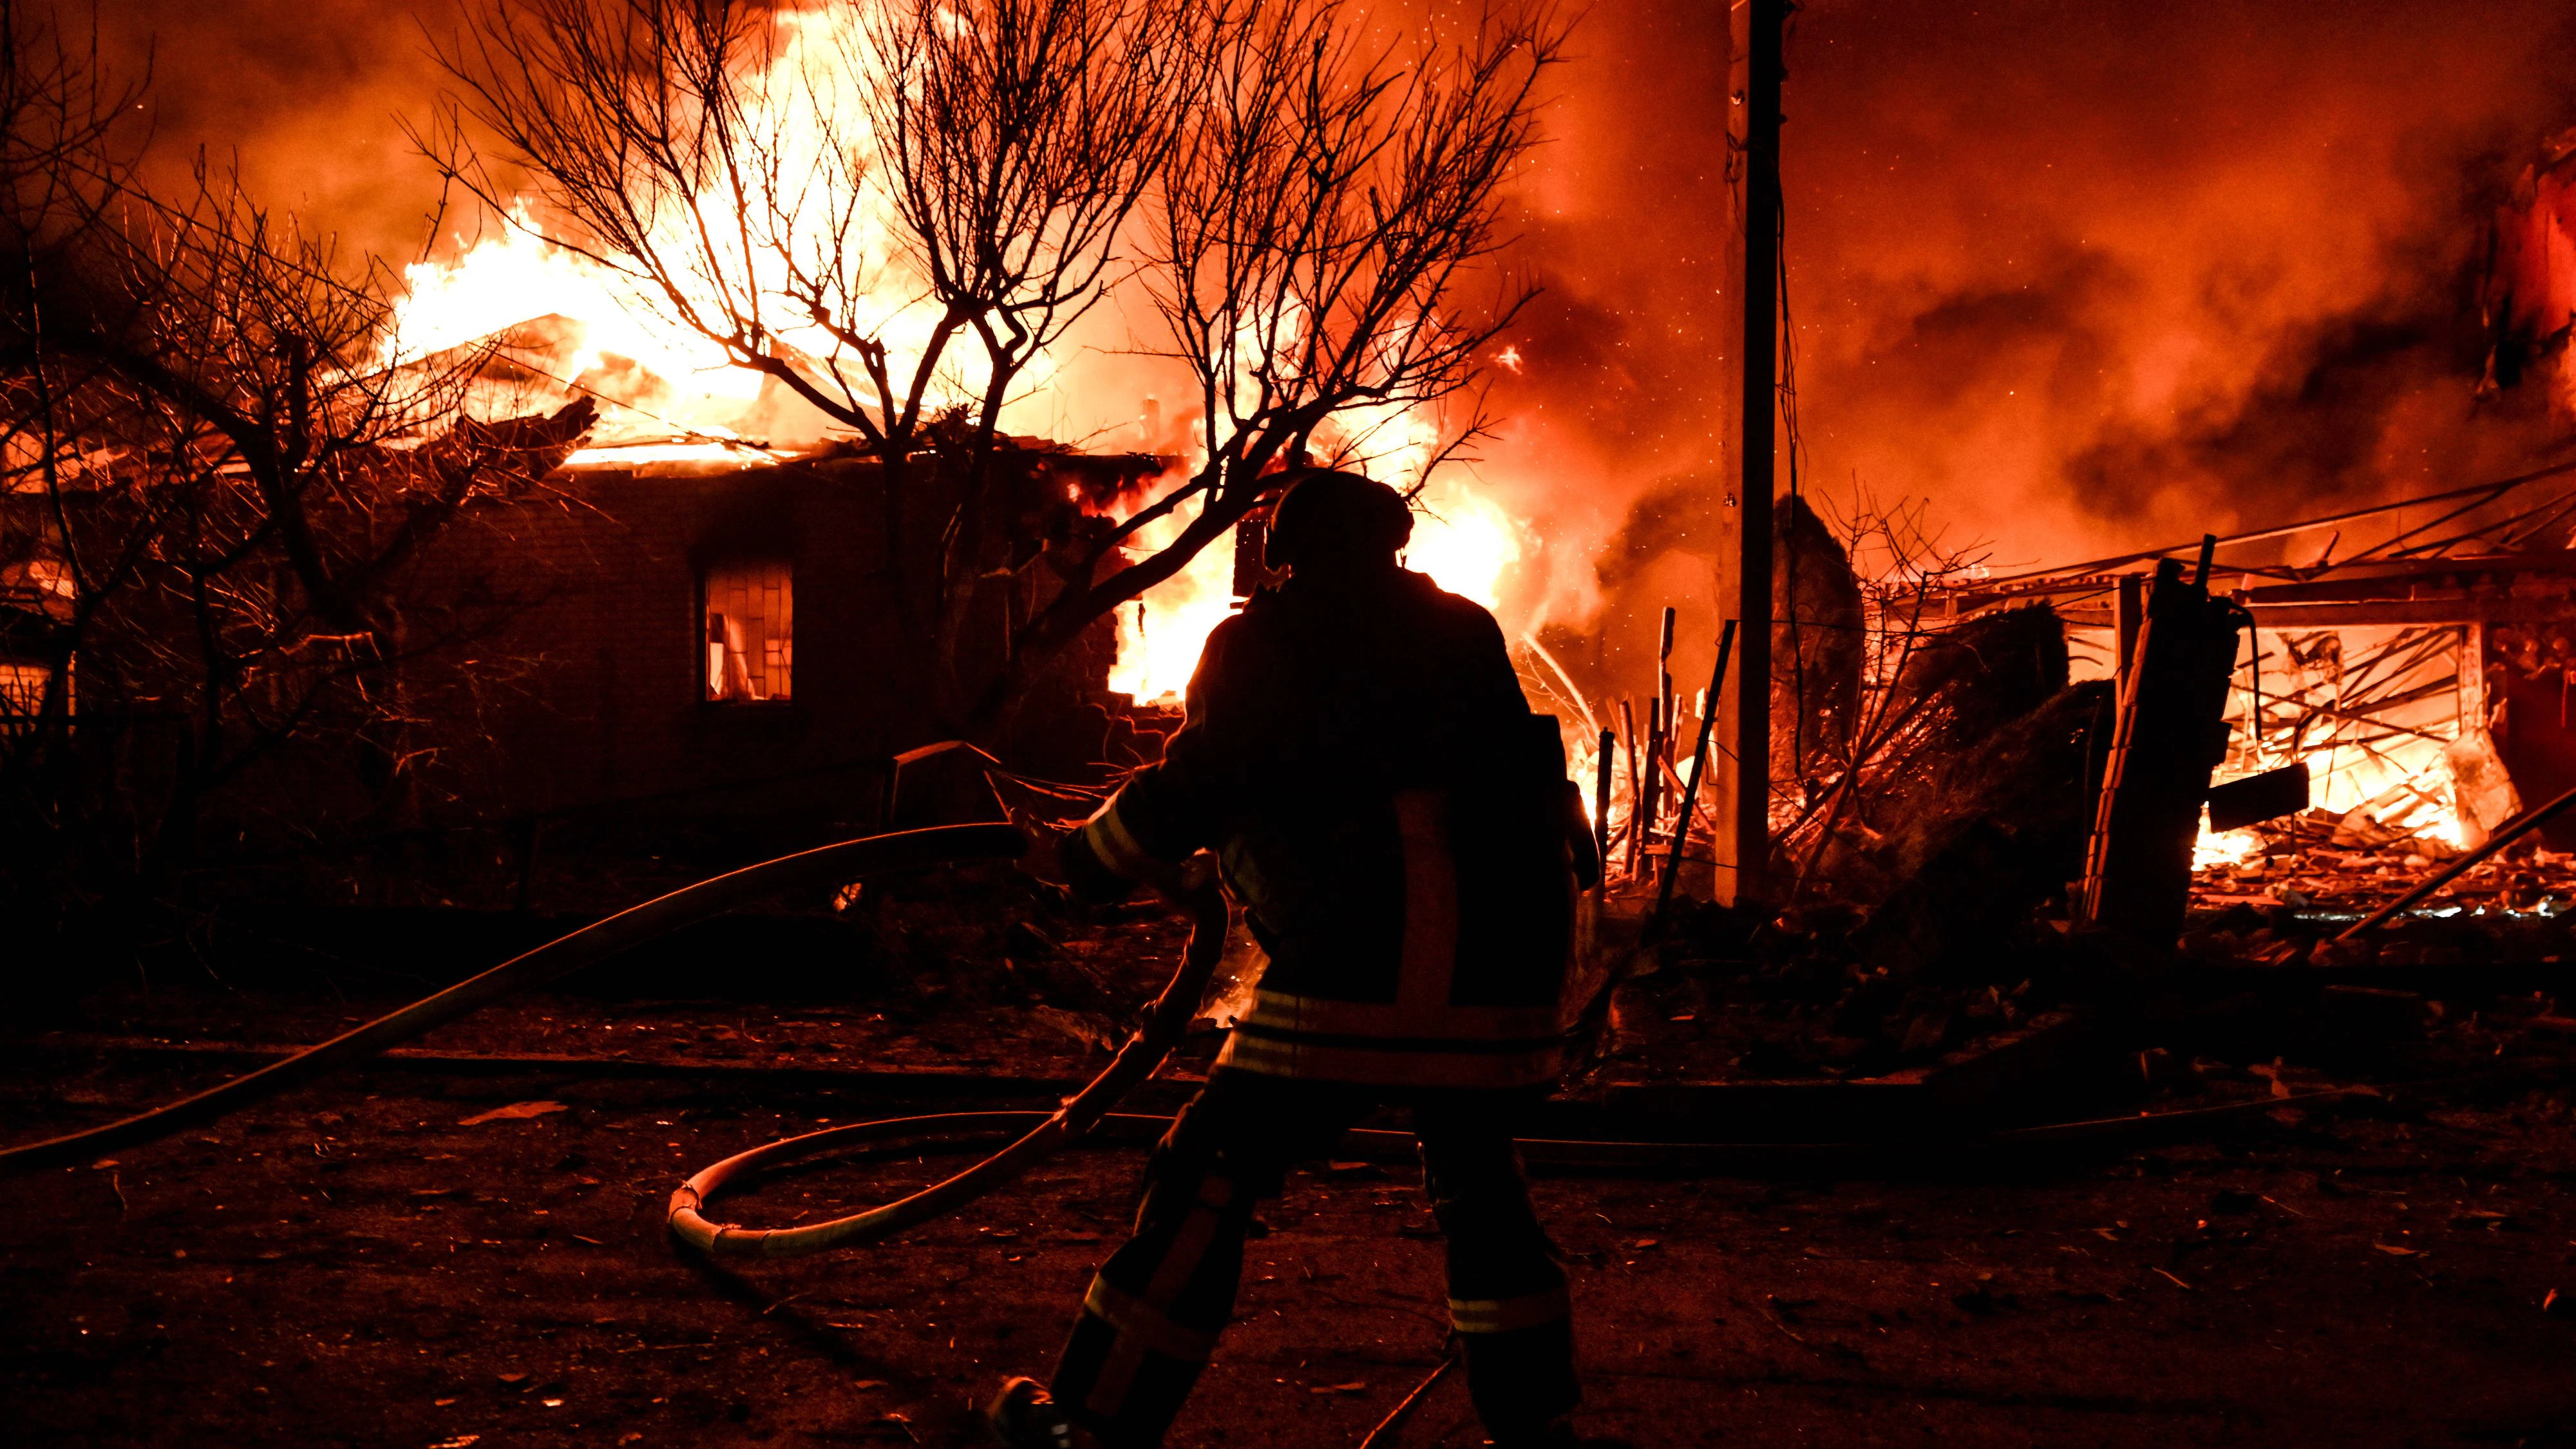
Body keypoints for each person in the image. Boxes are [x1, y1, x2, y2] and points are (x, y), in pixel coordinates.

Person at [987, 470, 1600, 1449]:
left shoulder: (1260, 642)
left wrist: (1078, 861)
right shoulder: (1469, 633)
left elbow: (1199, 782)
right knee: (1480, 1179)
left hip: (1349, 971)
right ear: (1395, 546)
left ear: (1283, 555)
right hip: (1504, 977)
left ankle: (1096, 1426)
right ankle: (1538, 1429)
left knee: (1210, 1171)